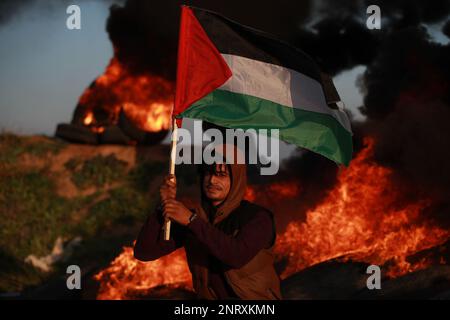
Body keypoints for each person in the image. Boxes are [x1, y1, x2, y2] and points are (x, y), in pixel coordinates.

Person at [134, 149, 282, 300]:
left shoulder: (257, 218)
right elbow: (144, 252)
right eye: (207, 173)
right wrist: (164, 204)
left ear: (236, 180)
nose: (211, 180)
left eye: (221, 175)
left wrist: (192, 221)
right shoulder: (192, 218)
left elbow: (236, 255)